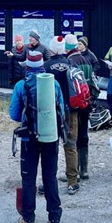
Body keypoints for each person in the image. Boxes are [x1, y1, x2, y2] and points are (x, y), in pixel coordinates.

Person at [10, 49, 67, 223]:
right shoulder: (54, 84)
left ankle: (29, 220)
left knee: (28, 178)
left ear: (26, 66)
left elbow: (14, 114)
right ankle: (55, 219)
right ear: (43, 65)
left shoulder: (21, 85)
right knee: (50, 176)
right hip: (51, 136)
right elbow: (61, 111)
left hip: (29, 137)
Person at [45, 36, 79, 195]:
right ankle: (73, 181)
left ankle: (48, 182)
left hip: (52, 111)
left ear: (52, 49)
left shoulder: (46, 66)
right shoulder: (70, 64)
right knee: (71, 145)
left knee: (50, 146)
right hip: (71, 110)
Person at [71, 36, 98, 180]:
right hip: (86, 104)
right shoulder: (87, 63)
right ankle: (84, 170)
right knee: (83, 134)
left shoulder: (70, 63)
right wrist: (92, 99)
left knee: (73, 135)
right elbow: (95, 84)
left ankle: (74, 170)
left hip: (74, 106)